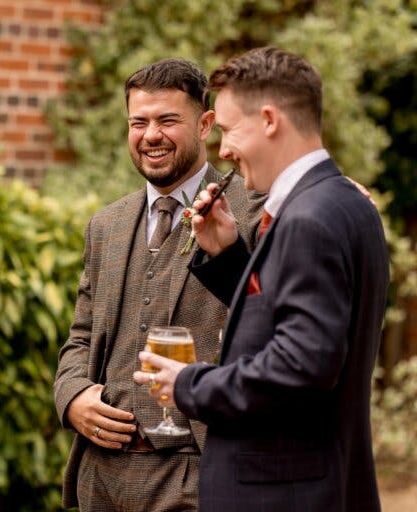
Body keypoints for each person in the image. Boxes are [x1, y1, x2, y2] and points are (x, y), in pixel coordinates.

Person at [134, 47, 389, 512]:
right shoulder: (345, 205)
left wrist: (190, 384)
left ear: (269, 119)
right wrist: (230, 256)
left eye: (229, 130)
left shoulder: (310, 218)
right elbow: (292, 322)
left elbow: (300, 369)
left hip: (287, 495)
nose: (224, 149)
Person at [53, 58, 264, 511]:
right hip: (101, 478)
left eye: (168, 120)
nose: (151, 135)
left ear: (205, 124)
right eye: (138, 122)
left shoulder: (252, 212)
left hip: (199, 477)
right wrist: (71, 397)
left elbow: (272, 325)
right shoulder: (105, 225)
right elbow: (82, 334)